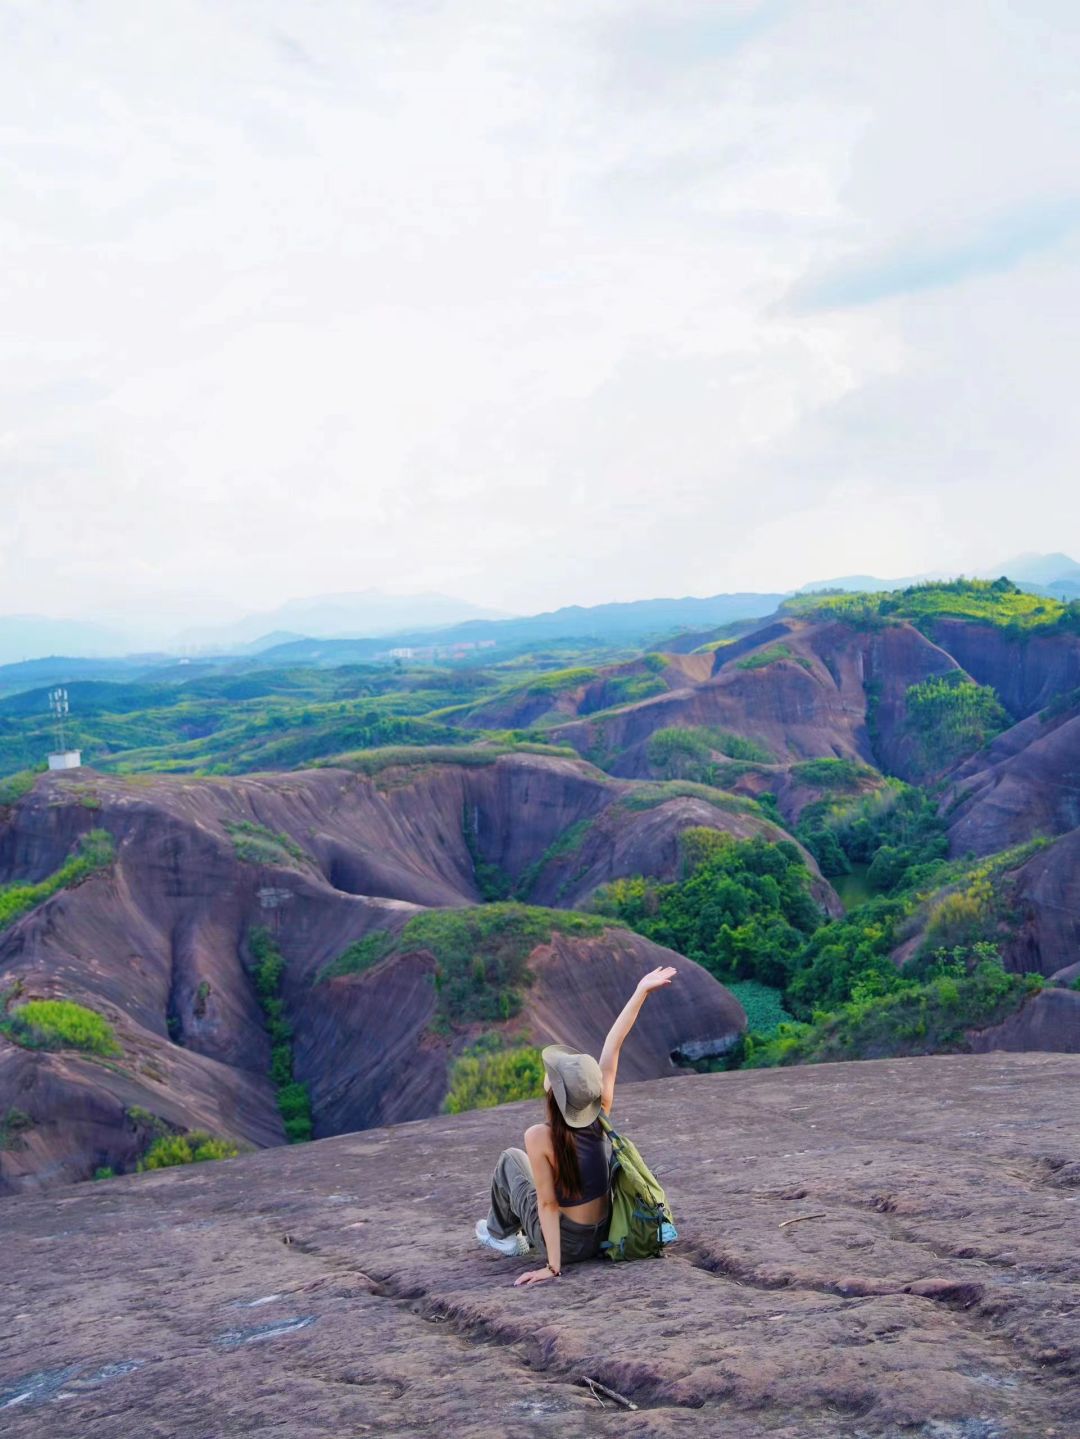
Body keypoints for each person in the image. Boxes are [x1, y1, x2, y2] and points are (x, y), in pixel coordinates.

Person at [474, 964, 677, 1286]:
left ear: (555, 1094)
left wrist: (552, 1267)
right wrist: (641, 992)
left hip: (568, 1246)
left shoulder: (539, 1136)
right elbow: (614, 1044)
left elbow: (547, 1203)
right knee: (527, 1167)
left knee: (511, 1160)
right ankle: (508, 1233)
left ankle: (502, 1235)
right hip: (602, 1235)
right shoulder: (600, 1111)